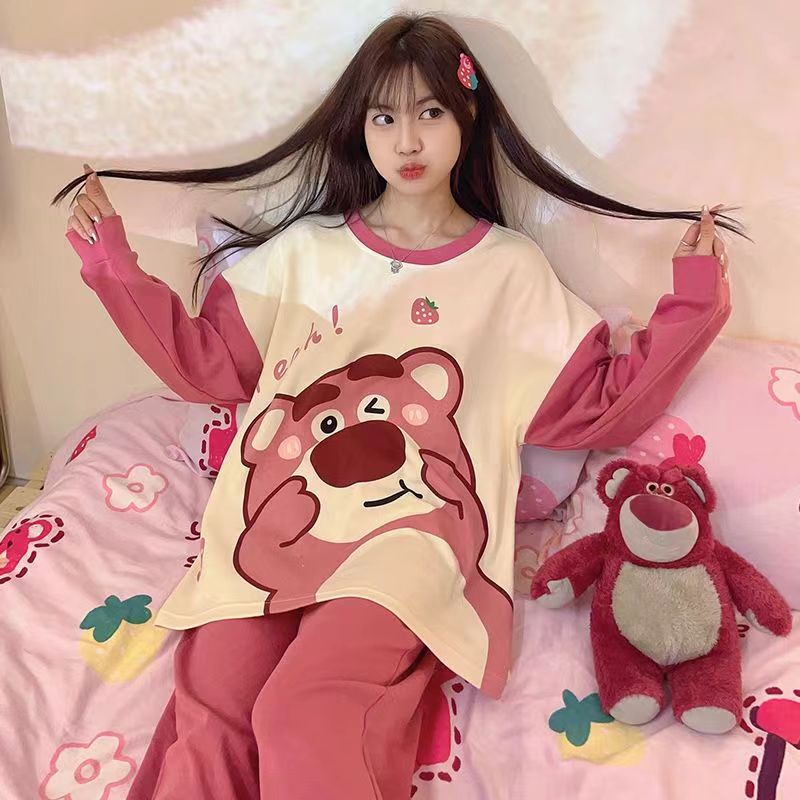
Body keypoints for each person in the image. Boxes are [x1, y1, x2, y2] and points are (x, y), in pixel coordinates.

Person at [58, 12, 738, 800]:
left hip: (409, 543)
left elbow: (600, 407)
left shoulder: (510, 273)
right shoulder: (304, 255)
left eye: (429, 112)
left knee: (304, 711)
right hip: (269, 529)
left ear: (467, 115)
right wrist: (112, 265)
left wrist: (692, 300)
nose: (407, 140)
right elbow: (205, 365)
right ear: (361, 127)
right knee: (213, 713)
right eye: (384, 117)